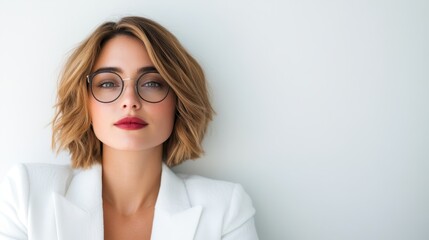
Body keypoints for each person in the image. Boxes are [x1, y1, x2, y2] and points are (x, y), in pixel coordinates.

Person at [0, 16, 258, 240]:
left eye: (152, 83)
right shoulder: (27, 194)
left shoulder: (225, 208)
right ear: (85, 102)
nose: (130, 102)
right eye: (108, 83)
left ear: (178, 100)